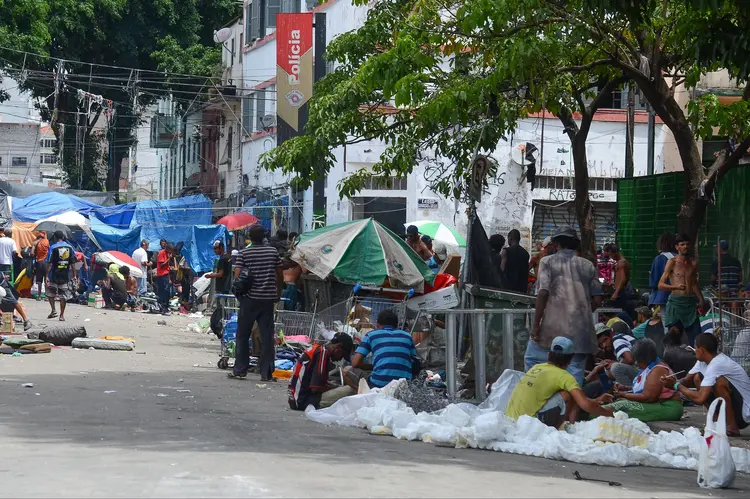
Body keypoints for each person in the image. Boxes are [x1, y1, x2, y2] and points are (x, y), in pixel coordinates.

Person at [527, 226, 602, 386]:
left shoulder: (547, 261)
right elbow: (596, 300)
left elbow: (542, 293)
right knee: (574, 376)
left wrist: (535, 326)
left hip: (552, 330)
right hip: (581, 333)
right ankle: (570, 407)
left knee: (534, 362)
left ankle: (542, 404)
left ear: (556, 244)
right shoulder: (588, 265)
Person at [506, 336, 614, 428]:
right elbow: (584, 403)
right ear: (570, 360)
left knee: (570, 393)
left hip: (512, 420)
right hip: (531, 424)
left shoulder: (536, 367)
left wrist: (596, 400)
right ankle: (568, 428)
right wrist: (607, 413)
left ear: (548, 355)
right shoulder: (564, 376)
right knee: (568, 395)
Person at [667, 333, 750, 436]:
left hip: (743, 413)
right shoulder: (703, 361)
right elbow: (687, 380)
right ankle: (715, 422)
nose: (694, 350)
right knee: (697, 378)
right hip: (734, 407)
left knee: (719, 382)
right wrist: (669, 381)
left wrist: (676, 386)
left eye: (695, 348)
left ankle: (731, 427)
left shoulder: (717, 364)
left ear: (701, 350)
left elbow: (700, 398)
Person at [229, 224, 282, 382]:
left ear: (250, 238)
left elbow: (237, 276)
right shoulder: (273, 252)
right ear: (264, 236)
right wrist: (277, 292)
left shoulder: (244, 253)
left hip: (248, 300)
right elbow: (279, 274)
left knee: (243, 335)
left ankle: (240, 370)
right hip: (267, 300)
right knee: (266, 337)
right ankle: (266, 373)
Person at [602, 338, 682, 422]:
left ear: (645, 359)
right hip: (659, 404)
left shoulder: (657, 370)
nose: (636, 363)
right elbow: (646, 388)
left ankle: (591, 413)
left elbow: (647, 397)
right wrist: (625, 388)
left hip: (668, 407)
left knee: (621, 406)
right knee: (619, 404)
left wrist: (623, 394)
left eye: (638, 361)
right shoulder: (648, 367)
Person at [343, 309, 417, 389]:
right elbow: (413, 360)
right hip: (403, 385)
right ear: (396, 324)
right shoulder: (407, 336)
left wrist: (372, 367)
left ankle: (366, 394)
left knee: (346, 370)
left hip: (378, 384)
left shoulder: (371, 335)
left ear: (377, 324)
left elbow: (355, 363)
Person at [658, 234, 705, 346]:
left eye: (687, 244)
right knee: (673, 339)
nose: (685, 247)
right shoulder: (672, 262)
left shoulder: (693, 263)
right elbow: (660, 285)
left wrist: (701, 299)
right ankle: (671, 361)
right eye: (682, 244)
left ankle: (696, 361)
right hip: (675, 303)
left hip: (690, 304)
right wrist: (675, 287)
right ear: (677, 247)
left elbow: (694, 283)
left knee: (696, 339)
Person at [288, 333, 354, 411]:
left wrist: (335, 387)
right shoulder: (322, 354)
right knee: (351, 390)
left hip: (294, 400)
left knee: (339, 388)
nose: (340, 359)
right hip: (304, 401)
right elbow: (315, 388)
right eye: (342, 355)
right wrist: (337, 389)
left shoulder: (317, 349)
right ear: (338, 347)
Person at [45, 231, 77, 321]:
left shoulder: (53, 247)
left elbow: (50, 263)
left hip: (54, 275)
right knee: (63, 296)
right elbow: (73, 263)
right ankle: (61, 315)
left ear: (55, 237)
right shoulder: (70, 247)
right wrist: (75, 276)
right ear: (63, 237)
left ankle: (53, 310)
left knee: (51, 293)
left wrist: (47, 275)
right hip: (65, 275)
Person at [605, 243, 636, 320]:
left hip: (621, 293)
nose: (611, 257)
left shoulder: (621, 262)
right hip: (620, 291)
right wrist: (613, 283)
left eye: (611, 255)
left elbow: (623, 279)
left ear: (615, 252)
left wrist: (615, 293)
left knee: (619, 315)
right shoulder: (622, 262)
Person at [648, 232, 676, 309]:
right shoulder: (680, 258)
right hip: (680, 295)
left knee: (667, 320)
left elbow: (654, 282)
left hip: (664, 296)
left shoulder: (660, 258)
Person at [501, 229, 530, 294]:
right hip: (522, 289)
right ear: (519, 239)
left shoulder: (506, 251)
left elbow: (502, 270)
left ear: (510, 238)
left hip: (508, 288)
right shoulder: (526, 253)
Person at [31, 232, 50, 301]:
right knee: (46, 278)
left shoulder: (35, 242)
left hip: (39, 262)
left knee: (39, 280)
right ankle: (47, 296)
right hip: (46, 262)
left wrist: (35, 247)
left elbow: (32, 253)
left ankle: (39, 296)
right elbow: (49, 250)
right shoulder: (47, 241)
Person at [156, 243, 172, 314]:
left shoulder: (167, 253)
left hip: (166, 275)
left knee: (167, 292)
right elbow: (162, 265)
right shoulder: (161, 253)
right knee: (164, 292)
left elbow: (167, 268)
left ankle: (165, 307)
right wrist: (169, 259)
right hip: (161, 275)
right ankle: (162, 307)